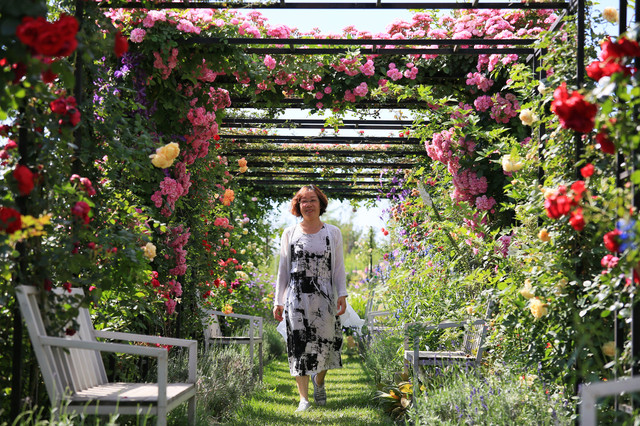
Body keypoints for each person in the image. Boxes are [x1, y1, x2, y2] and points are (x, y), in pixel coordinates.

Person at [273, 184, 348, 413]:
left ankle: (319, 380)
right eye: (303, 201)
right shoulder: (290, 233)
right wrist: (278, 301)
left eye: (312, 200)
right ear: (298, 206)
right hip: (296, 297)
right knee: (299, 345)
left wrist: (342, 294)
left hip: (324, 296)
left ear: (320, 203)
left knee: (327, 344)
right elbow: (283, 270)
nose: (308, 204)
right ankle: (303, 399)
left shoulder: (332, 232)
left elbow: (339, 268)